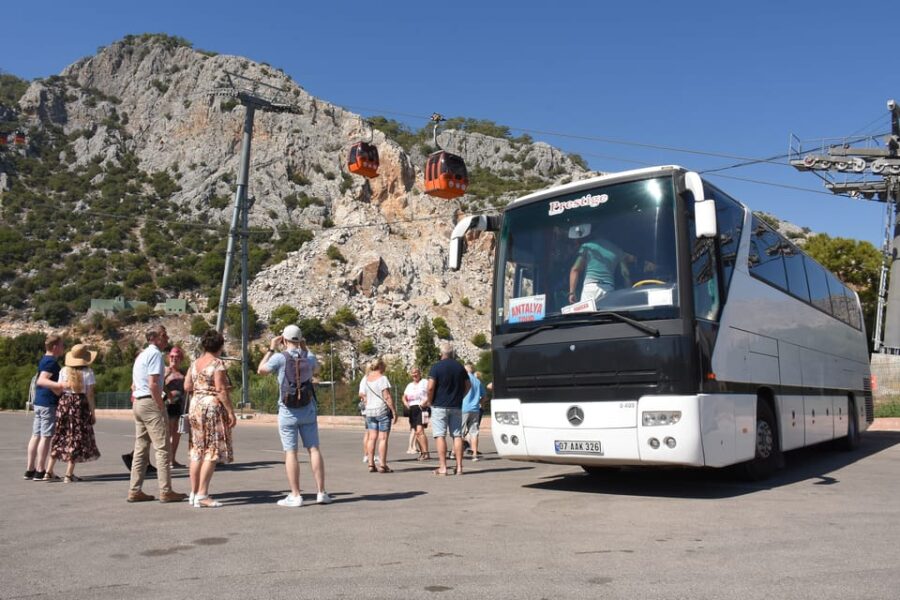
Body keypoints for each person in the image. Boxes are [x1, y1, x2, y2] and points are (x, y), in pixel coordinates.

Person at [257, 325, 332, 507]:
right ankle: (321, 492)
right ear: (301, 339)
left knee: (291, 452)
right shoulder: (309, 357)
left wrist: (271, 348)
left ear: (284, 339)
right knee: (314, 449)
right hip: (308, 409)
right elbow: (317, 369)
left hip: (287, 411)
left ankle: (296, 495)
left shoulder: (279, 358)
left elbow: (261, 370)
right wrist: (305, 348)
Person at [127, 325, 187, 503]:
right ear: (157, 337)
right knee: (162, 448)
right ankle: (166, 490)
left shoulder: (142, 355)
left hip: (139, 402)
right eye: (164, 335)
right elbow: (153, 384)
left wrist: (164, 395)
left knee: (141, 448)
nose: (167, 338)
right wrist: (160, 406)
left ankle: (135, 489)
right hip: (150, 403)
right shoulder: (155, 355)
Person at [183, 330, 236, 508]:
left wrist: (201, 388)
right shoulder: (217, 364)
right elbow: (221, 389)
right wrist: (230, 412)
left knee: (197, 450)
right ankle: (202, 494)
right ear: (220, 346)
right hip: (211, 407)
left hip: (195, 405)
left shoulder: (194, 363)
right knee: (212, 450)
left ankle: (194, 492)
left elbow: (187, 385)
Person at [49, 344, 101, 482]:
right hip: (79, 404)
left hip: (64, 402)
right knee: (75, 436)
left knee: (60, 435)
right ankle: (68, 474)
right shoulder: (88, 372)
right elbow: (90, 394)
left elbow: (59, 389)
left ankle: (48, 471)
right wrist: (92, 413)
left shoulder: (64, 371)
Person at [421, 342, 470, 476]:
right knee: (457, 435)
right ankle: (459, 467)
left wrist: (430, 401)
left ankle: (443, 467)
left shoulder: (436, 367)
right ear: (452, 353)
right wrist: (461, 396)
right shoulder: (460, 367)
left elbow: (430, 387)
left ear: (441, 353)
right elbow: (468, 385)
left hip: (439, 405)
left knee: (440, 435)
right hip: (456, 405)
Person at [24, 333, 65, 481]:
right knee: (46, 437)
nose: (63, 348)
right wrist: (60, 385)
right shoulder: (51, 363)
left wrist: (55, 388)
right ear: (55, 347)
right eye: (61, 345)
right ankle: (40, 470)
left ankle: (30, 469)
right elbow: (42, 381)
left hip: (40, 402)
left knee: (36, 435)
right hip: (48, 404)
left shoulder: (44, 360)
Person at [568, 225, 629, 304]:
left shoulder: (588, 246)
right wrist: (629, 291)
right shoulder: (617, 250)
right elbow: (625, 274)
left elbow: (575, 269)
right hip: (608, 289)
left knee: (588, 312)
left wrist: (572, 293)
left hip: (590, 288)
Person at [358, 358, 397, 473]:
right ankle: (383, 465)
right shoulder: (382, 378)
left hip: (369, 411)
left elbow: (363, 395)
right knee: (383, 438)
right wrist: (394, 411)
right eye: (384, 366)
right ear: (380, 366)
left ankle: (371, 464)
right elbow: (387, 396)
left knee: (371, 437)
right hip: (381, 410)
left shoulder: (366, 379)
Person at [164, 346, 188, 468]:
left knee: (177, 433)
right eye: (172, 356)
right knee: (167, 433)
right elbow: (157, 385)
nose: (174, 359)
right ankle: (165, 460)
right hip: (168, 405)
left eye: (177, 357)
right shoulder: (164, 370)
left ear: (181, 359)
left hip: (180, 405)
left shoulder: (183, 372)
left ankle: (172, 459)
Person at [402, 367, 430, 461]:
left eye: (416, 372)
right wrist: (405, 402)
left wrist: (425, 402)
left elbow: (431, 392)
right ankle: (423, 452)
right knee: (416, 432)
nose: (414, 374)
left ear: (420, 373)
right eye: (413, 373)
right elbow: (404, 396)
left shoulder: (424, 382)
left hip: (423, 408)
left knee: (420, 431)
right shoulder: (409, 385)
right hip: (412, 409)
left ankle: (425, 453)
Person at [461, 364, 486, 462]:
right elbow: (484, 397)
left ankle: (456, 453)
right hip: (475, 409)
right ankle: (474, 454)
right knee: (474, 433)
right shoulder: (477, 381)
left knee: (460, 433)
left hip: (464, 408)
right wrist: (477, 402)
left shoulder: (463, 380)